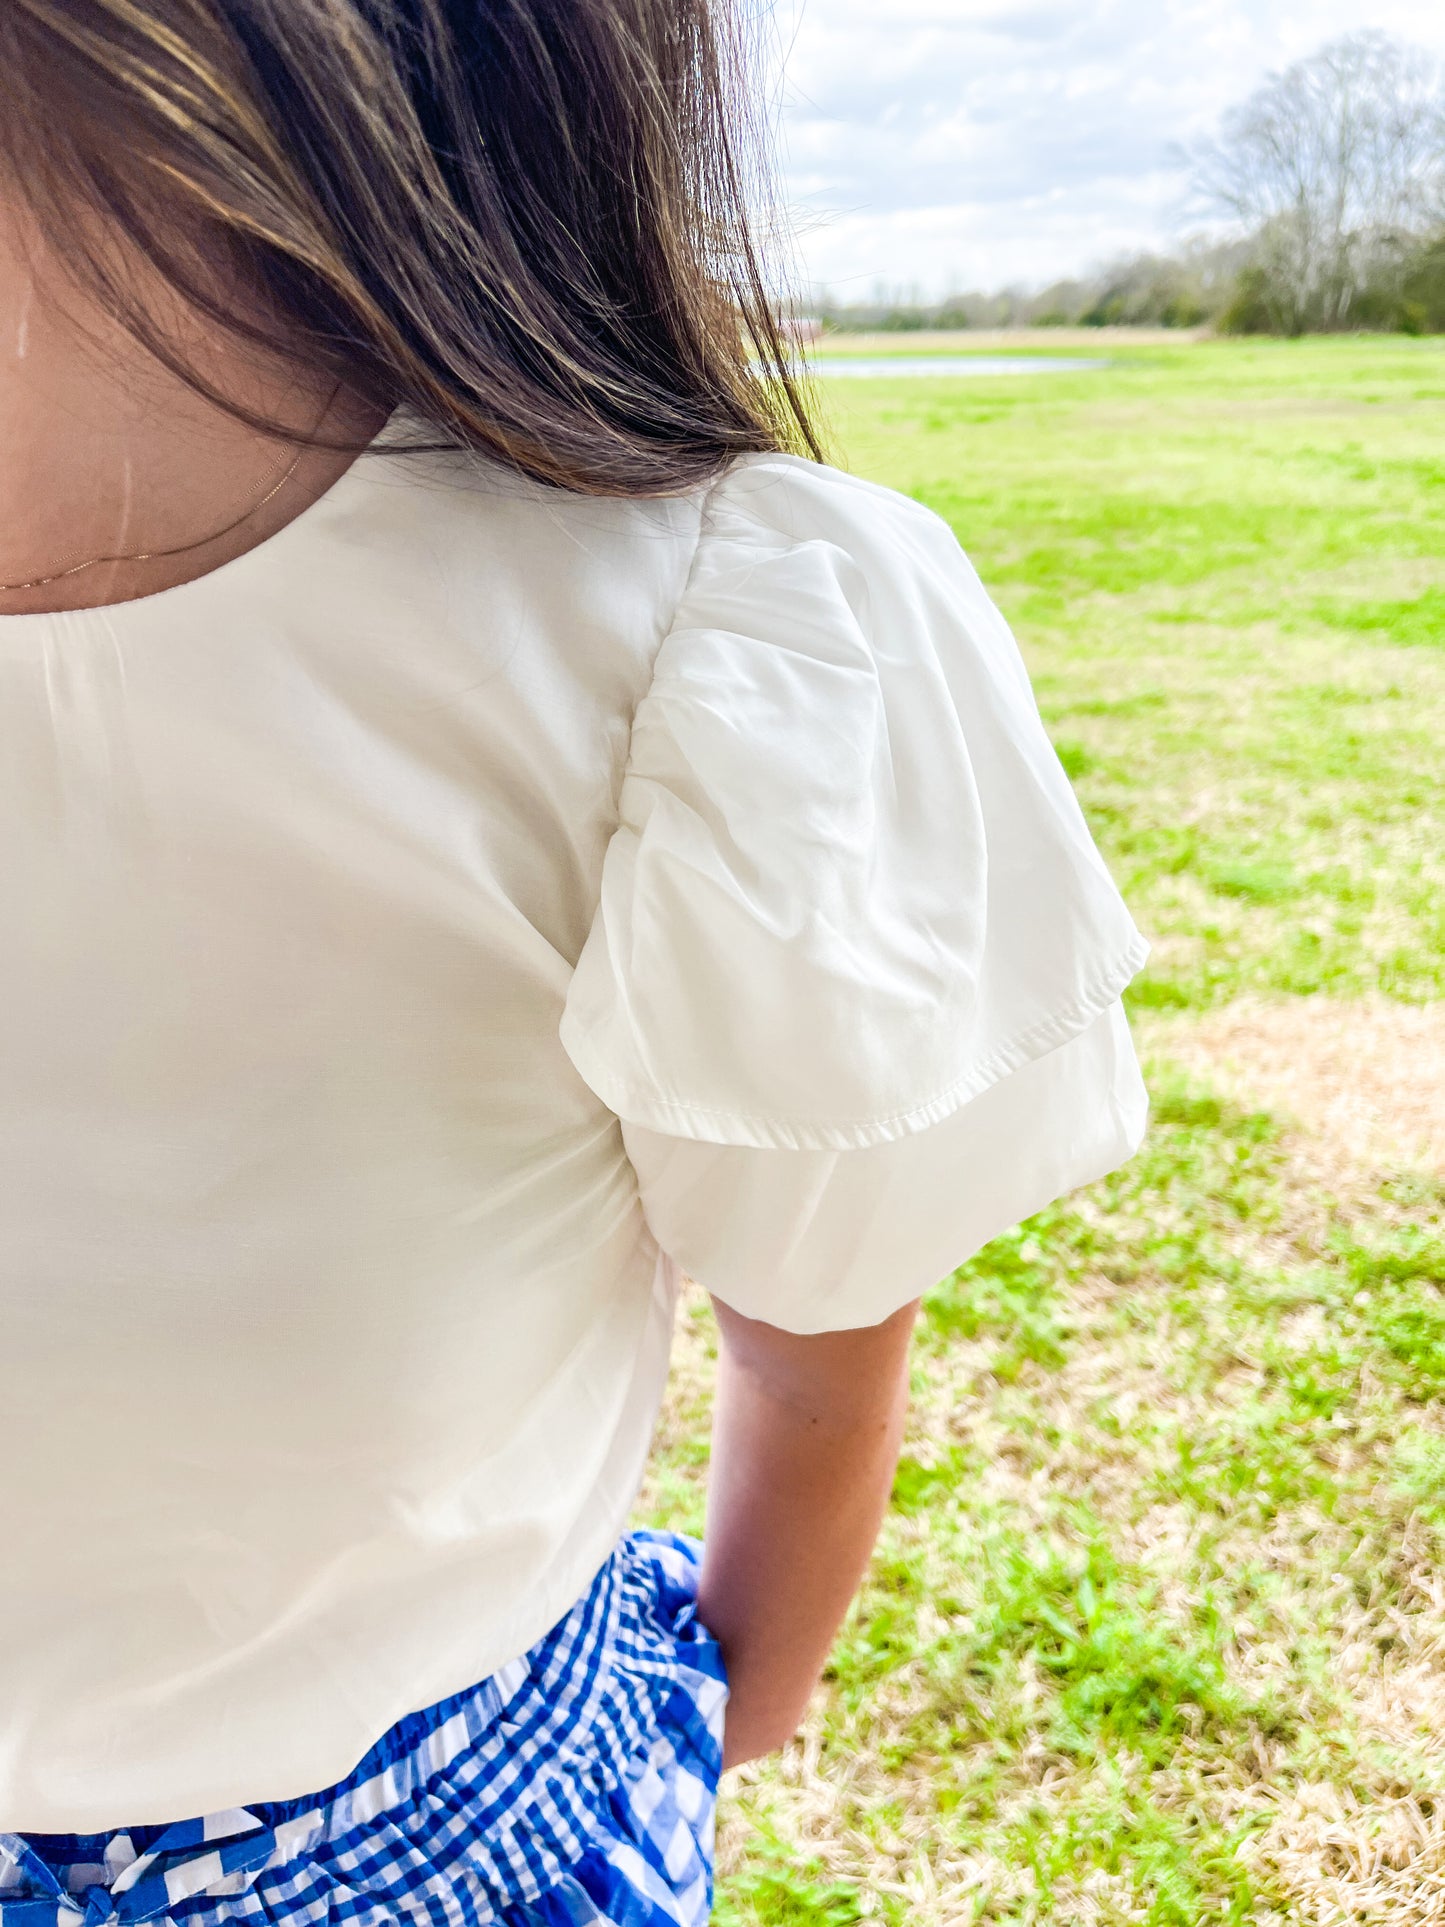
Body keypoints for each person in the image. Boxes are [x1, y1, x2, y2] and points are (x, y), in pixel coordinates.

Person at [0, 3, 1149, 1922]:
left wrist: (721, 1706)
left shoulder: (685, 626)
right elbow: (812, 1337)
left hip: (413, 1831)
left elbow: (816, 1314)